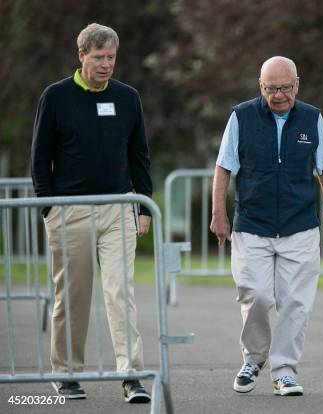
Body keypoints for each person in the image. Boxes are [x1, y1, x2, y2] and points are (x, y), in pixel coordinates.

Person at [31, 23, 152, 403]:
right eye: (98, 57)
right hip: (69, 211)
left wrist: (144, 203)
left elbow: (139, 154)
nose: (105, 65)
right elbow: (40, 156)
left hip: (118, 208)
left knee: (121, 292)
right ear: (81, 55)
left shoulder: (128, 97)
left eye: (111, 57)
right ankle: (66, 374)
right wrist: (49, 207)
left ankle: (131, 375)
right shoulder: (56, 96)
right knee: (73, 295)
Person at [210, 56, 323, 397]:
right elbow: (224, 167)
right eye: (271, 89)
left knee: (296, 302)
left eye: (285, 88)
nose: (279, 95)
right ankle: (254, 359)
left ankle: (284, 370)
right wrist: (218, 213)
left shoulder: (312, 118)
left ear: (297, 85)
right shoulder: (241, 116)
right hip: (252, 224)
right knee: (256, 295)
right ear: (260, 87)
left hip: (300, 226)